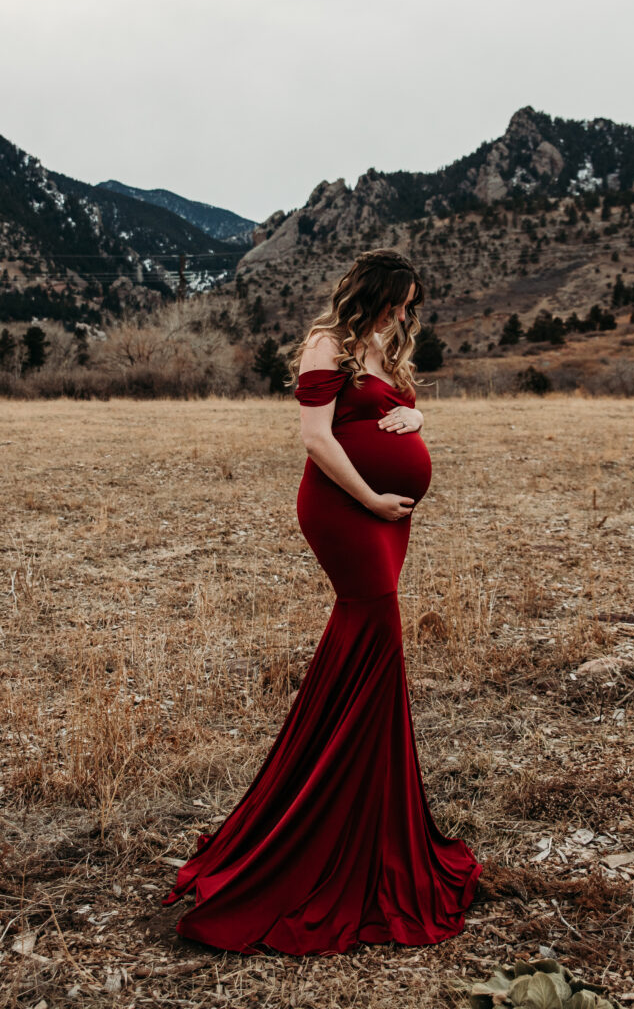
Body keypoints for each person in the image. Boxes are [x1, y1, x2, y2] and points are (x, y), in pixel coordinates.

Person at [162, 249, 482, 956]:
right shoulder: (326, 344)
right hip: (345, 509)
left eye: (412, 303)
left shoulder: (380, 347)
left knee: (371, 647)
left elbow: (393, 409)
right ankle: (328, 819)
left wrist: (415, 417)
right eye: (400, 300)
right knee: (376, 633)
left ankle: (364, 810)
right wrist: (369, 495)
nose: (406, 313)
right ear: (374, 293)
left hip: (389, 515)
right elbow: (315, 437)